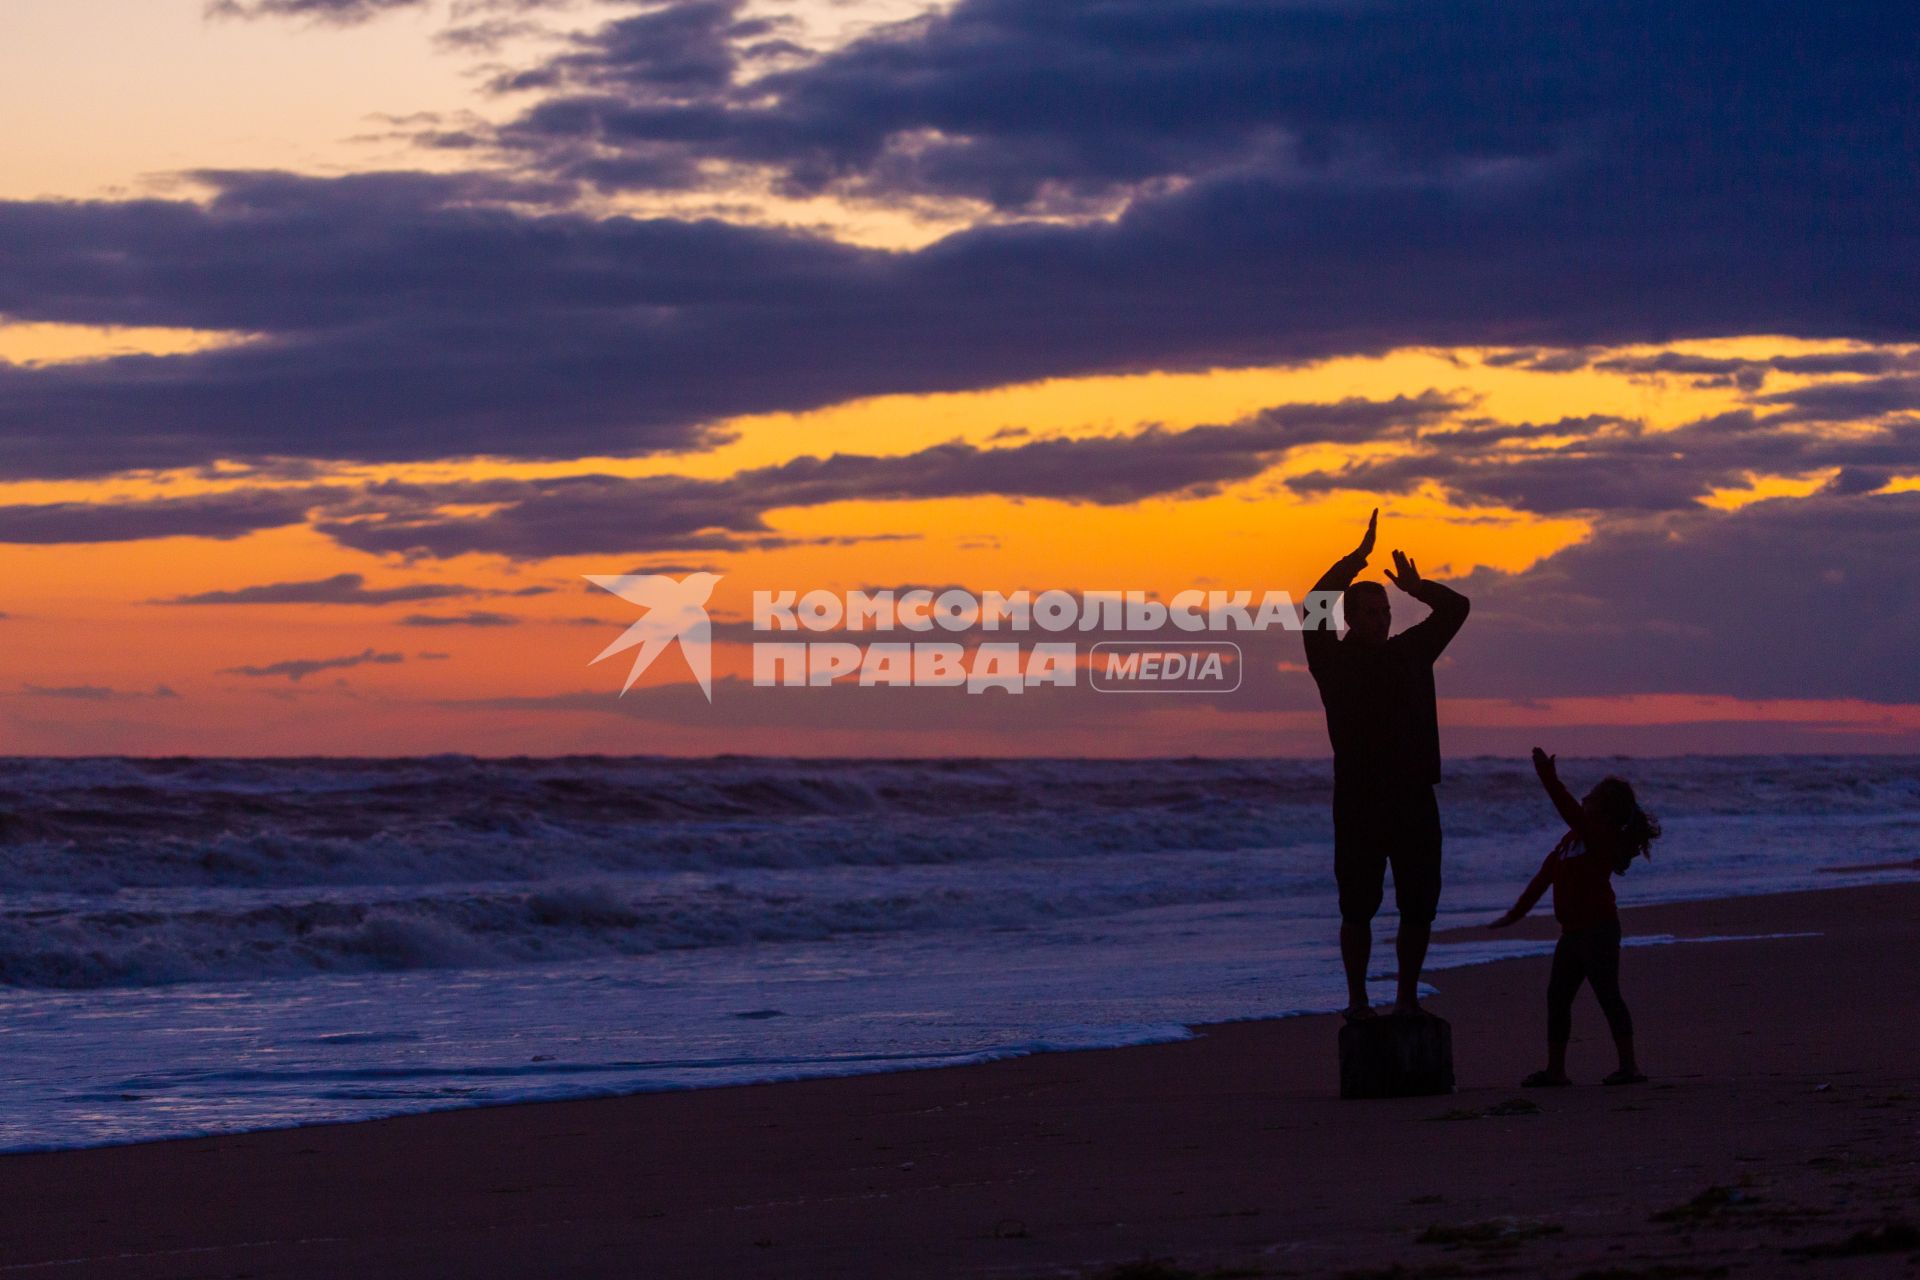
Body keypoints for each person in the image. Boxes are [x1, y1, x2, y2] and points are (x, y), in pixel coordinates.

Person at [1303, 508, 1470, 1019]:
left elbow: (1457, 608)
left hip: (1415, 797)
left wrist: (1418, 588)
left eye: (1385, 612)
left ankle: (1405, 1000)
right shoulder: (1331, 661)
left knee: (1419, 905)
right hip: (1359, 800)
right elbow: (1313, 605)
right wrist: (1354, 562)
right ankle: (1358, 1003)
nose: (1381, 619)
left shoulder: (1411, 653)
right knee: (1357, 906)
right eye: (1371, 612)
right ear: (1350, 618)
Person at [1490, 747, 1662, 1086]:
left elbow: (1568, 809)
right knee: (1557, 998)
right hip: (1572, 934)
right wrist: (1514, 914)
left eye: (1593, 797)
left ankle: (1630, 1067)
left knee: (1607, 995)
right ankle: (1556, 1071)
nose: (1585, 798)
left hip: (1599, 930)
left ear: (1606, 811)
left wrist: (1546, 775)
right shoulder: (1571, 841)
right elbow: (1543, 877)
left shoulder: (1600, 835)